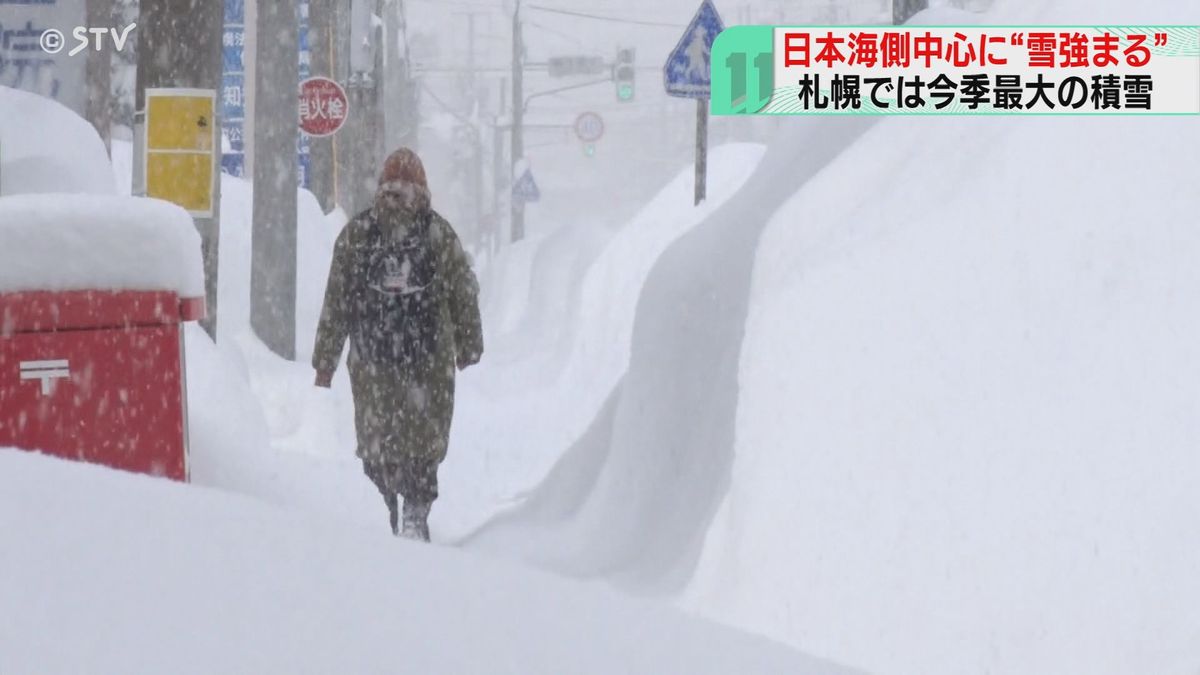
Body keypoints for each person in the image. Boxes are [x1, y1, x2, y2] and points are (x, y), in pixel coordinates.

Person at [313, 148, 483, 541]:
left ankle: (385, 506)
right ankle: (417, 510)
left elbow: (336, 299)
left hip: (371, 358)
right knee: (425, 439)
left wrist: (326, 361)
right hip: (429, 359)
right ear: (422, 188)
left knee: (377, 441)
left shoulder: (357, 233)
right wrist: (469, 346)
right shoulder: (438, 233)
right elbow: (462, 292)